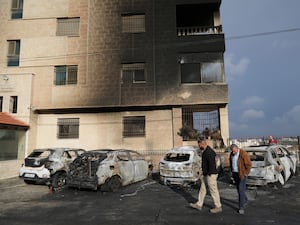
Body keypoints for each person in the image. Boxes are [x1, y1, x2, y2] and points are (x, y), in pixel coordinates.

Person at [189, 139, 222, 213]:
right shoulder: (206, 151)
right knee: (203, 189)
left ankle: (218, 206)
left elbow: (212, 164)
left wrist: (209, 174)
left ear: (202, 144)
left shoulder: (209, 152)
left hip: (211, 175)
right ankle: (199, 204)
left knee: (213, 190)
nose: (199, 146)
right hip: (206, 174)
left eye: (199, 145)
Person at [229, 144, 252, 215]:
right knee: (239, 190)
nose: (233, 152)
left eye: (234, 151)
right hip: (235, 174)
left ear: (236, 148)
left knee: (241, 190)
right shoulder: (232, 154)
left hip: (242, 174)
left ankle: (241, 207)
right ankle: (245, 199)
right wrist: (232, 171)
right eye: (232, 151)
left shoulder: (243, 154)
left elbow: (249, 164)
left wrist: (246, 173)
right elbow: (231, 163)